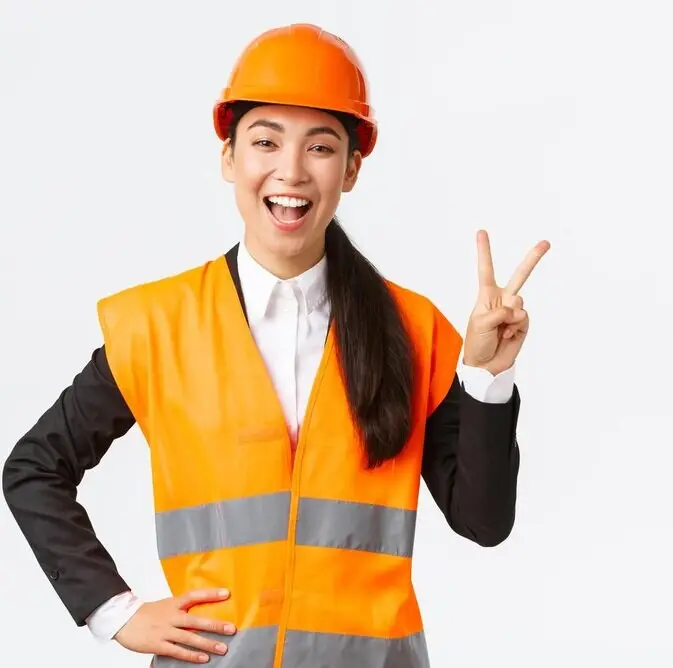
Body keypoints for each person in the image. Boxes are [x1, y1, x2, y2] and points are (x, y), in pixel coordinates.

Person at [2, 23, 547, 667]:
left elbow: (483, 522)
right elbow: (35, 469)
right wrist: (114, 613)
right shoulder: (157, 325)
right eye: (266, 141)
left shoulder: (411, 329)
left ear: (351, 169)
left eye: (320, 147)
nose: (290, 171)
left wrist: (485, 377)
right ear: (230, 157)